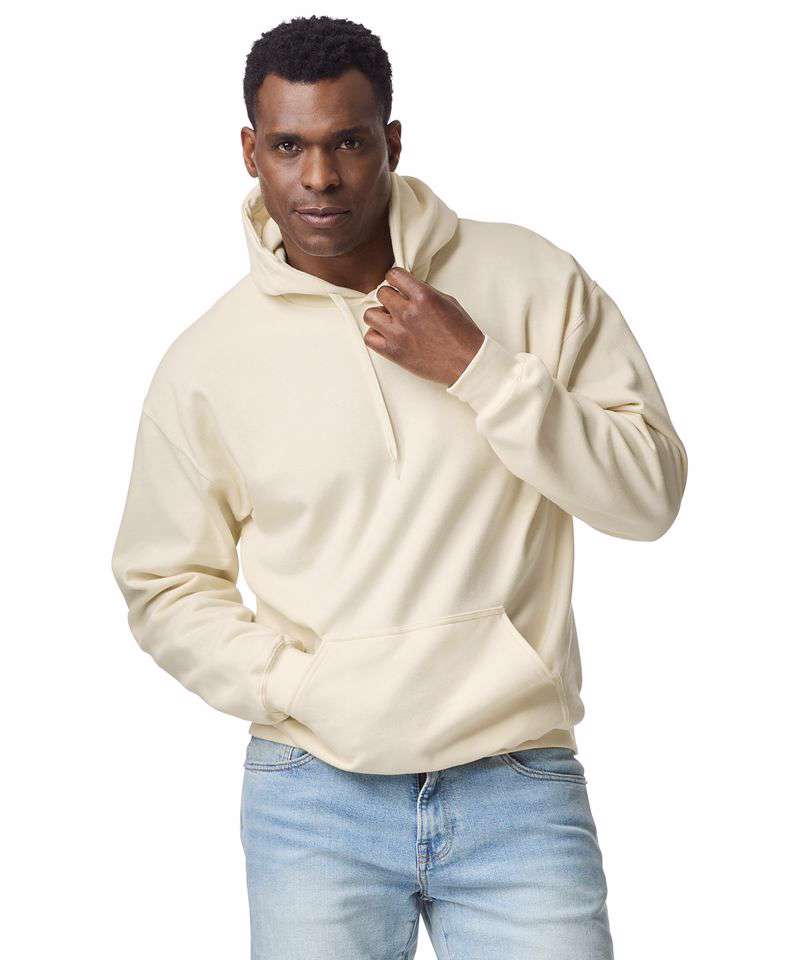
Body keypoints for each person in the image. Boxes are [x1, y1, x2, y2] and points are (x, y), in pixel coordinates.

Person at [111, 14, 688, 959]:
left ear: (393, 141)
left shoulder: (530, 279)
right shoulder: (207, 361)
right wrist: (299, 683)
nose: (320, 177)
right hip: (314, 797)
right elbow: (163, 582)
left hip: (516, 782)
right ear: (251, 152)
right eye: (289, 146)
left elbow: (650, 495)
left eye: (348, 142)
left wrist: (480, 369)